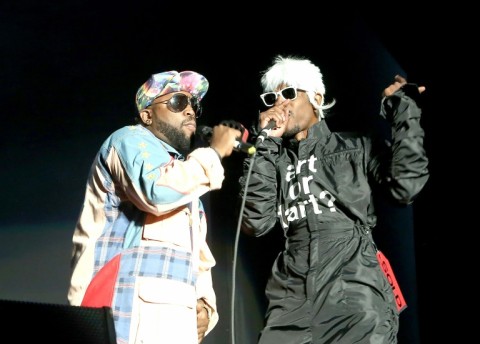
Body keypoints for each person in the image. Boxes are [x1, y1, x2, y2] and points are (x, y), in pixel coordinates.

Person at [238, 55, 429, 343]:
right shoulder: (273, 161)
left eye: (289, 93)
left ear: (316, 97)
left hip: (353, 292)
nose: (280, 104)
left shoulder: (355, 146)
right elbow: (255, 222)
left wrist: (403, 110)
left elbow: (406, 185)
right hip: (292, 297)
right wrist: (265, 145)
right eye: (272, 98)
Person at [68, 70, 242, 343]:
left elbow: (199, 256)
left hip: (173, 317)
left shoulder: (186, 178)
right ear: (147, 115)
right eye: (177, 103)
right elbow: (156, 192)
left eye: (193, 105)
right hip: (124, 311)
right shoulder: (129, 140)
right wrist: (214, 152)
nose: (190, 112)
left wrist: (204, 303)